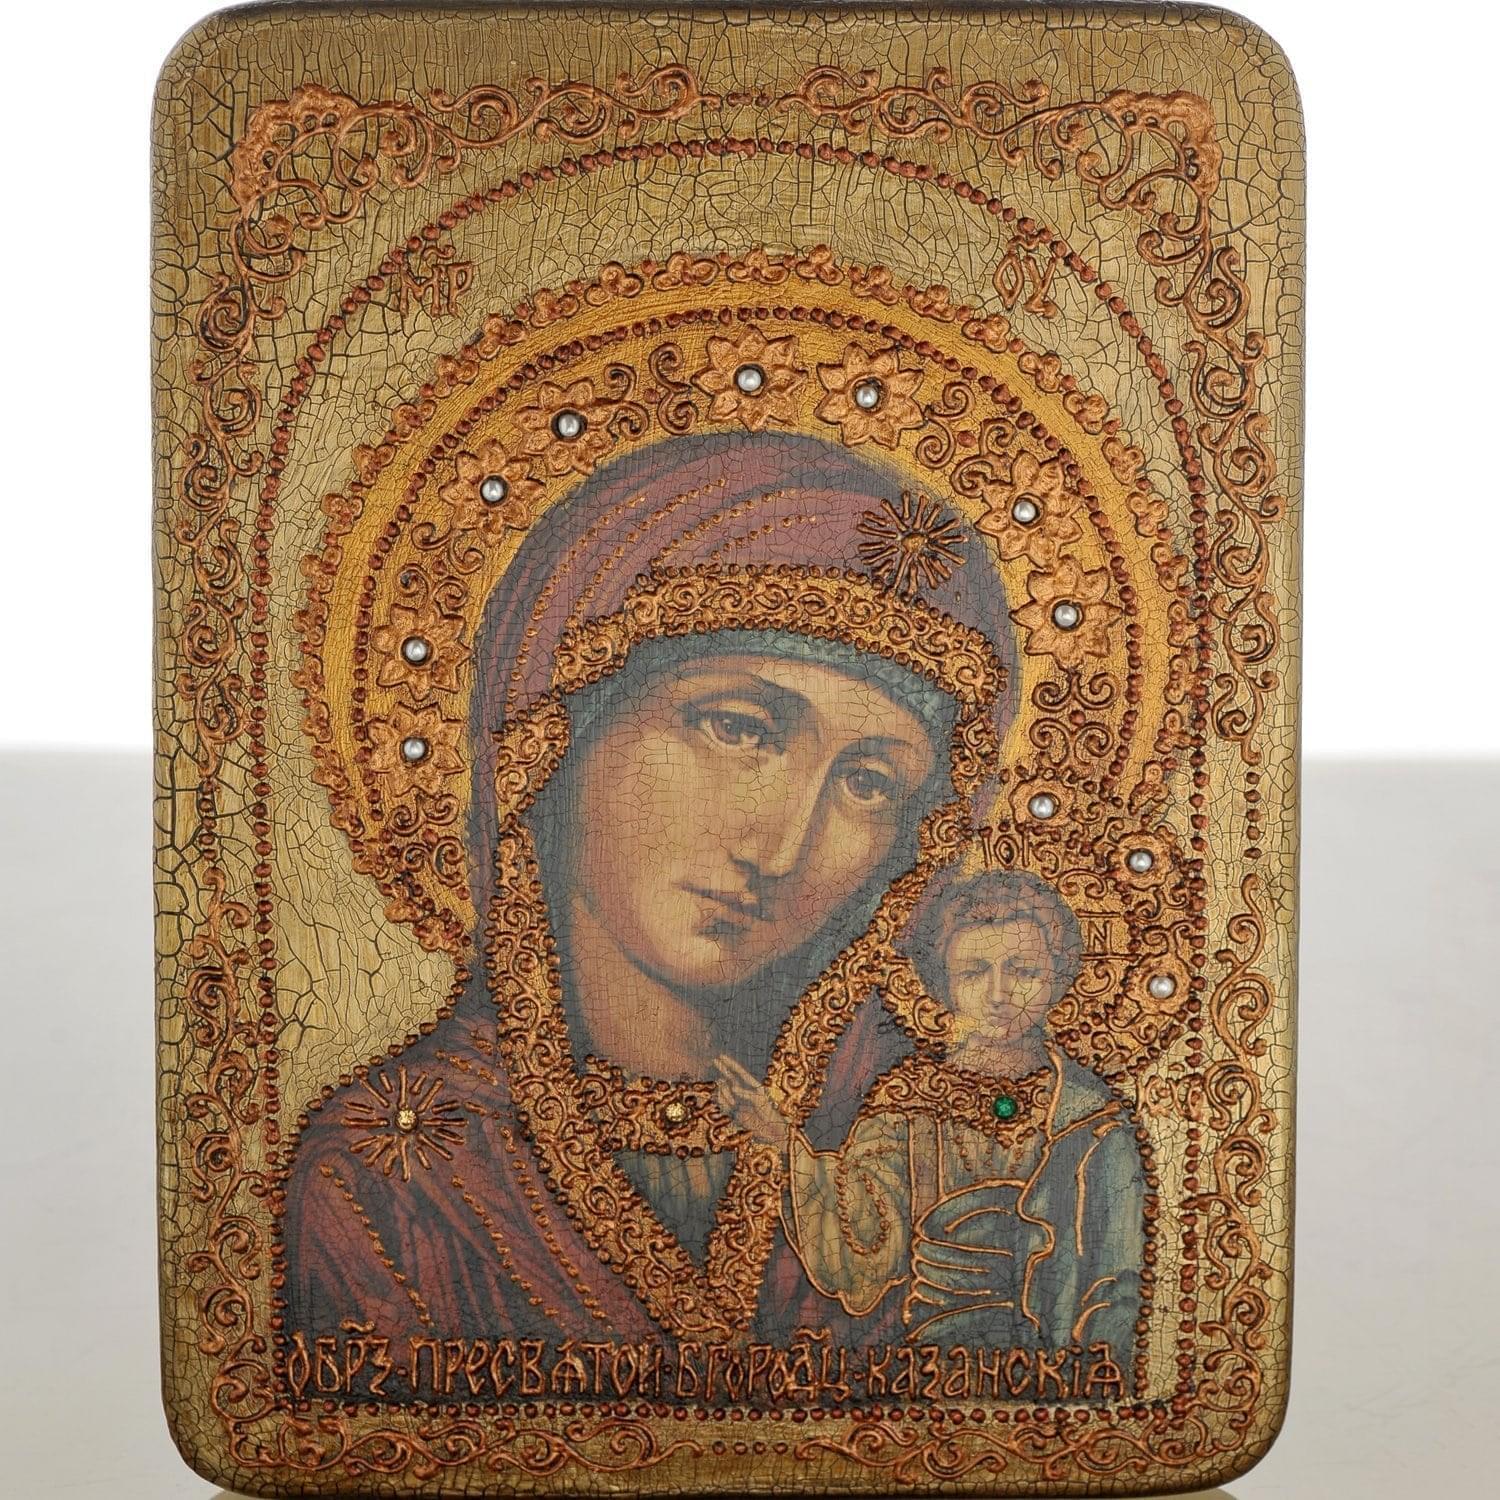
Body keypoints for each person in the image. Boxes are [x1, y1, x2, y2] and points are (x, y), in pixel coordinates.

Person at [279, 431, 1018, 1390]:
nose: (780, 848)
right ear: (558, 732)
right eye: (738, 728)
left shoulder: (922, 1145)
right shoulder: (390, 1169)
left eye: (868, 783)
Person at [737, 868, 1146, 1363]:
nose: (998, 994)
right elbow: (863, 1243)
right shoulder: (908, 1100)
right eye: (974, 973)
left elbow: (1117, 1268)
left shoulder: (1091, 1116)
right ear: (944, 984)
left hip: (1055, 1358)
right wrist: (783, 1144)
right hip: (930, 1356)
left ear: (1058, 978)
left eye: (1022, 971)